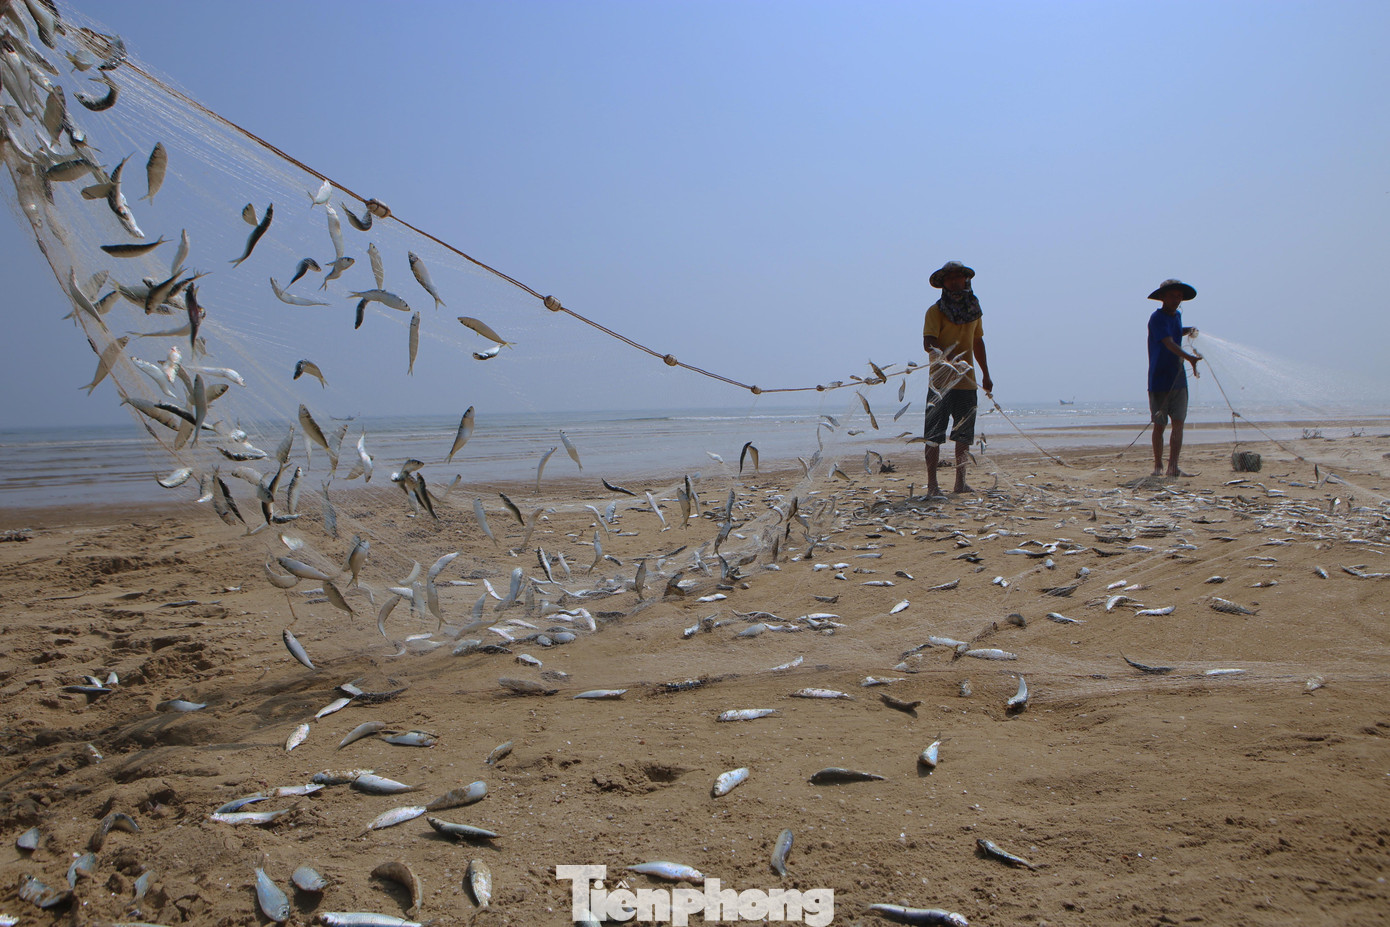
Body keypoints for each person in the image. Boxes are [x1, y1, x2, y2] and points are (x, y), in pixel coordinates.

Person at [922, 261, 993, 497]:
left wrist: (985, 374)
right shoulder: (935, 311)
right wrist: (948, 357)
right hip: (941, 382)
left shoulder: (974, 310)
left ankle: (960, 483)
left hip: (967, 381)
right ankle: (932, 486)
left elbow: (978, 342)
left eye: (957, 277)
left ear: (965, 280)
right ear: (943, 284)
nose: (954, 282)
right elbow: (928, 343)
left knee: (964, 435)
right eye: (949, 278)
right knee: (934, 435)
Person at [1146, 278, 1202, 476]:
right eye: (1172, 296)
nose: (1176, 300)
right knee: (1160, 425)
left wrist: (1189, 330)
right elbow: (1169, 342)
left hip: (1178, 380)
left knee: (1178, 423)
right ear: (1162, 297)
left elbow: (1176, 332)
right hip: (1160, 380)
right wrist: (1190, 359)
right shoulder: (1157, 318)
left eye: (1179, 297)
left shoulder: (1177, 316)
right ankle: (1158, 466)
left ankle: (1173, 467)